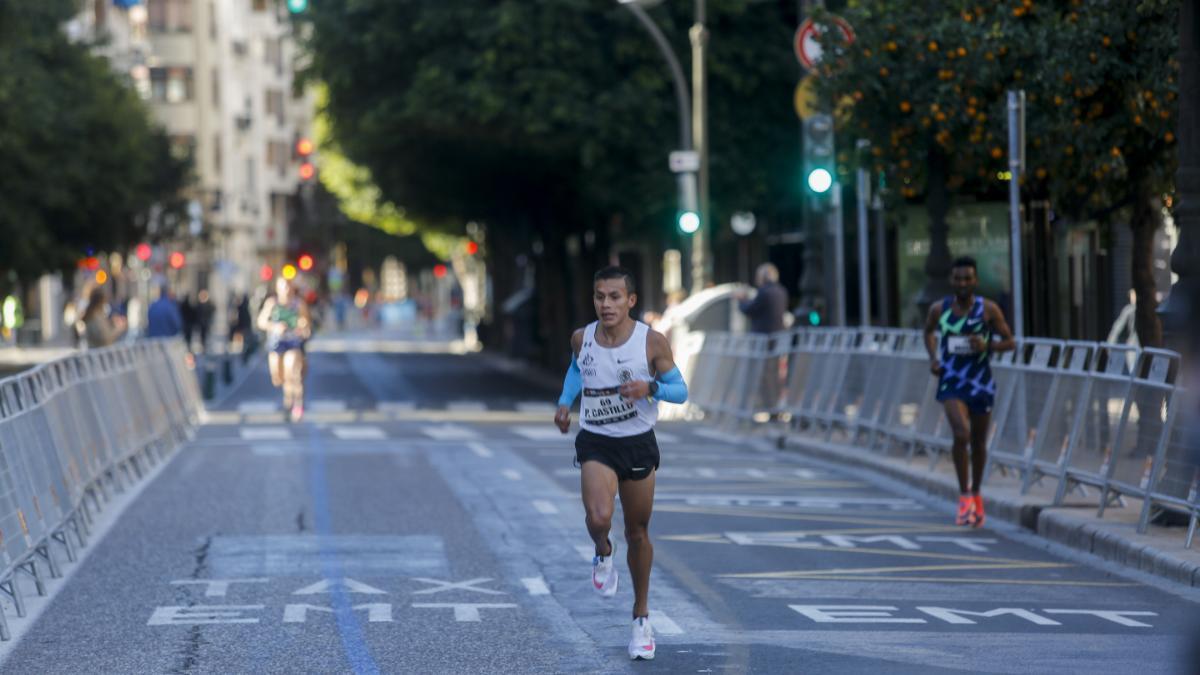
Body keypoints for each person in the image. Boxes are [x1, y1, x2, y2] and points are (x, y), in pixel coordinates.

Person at [554, 266, 688, 662]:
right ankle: (601, 549)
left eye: (614, 297)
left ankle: (641, 619)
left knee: (638, 531)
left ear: (630, 301)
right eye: (600, 297)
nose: (606, 304)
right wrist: (565, 403)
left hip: (638, 443)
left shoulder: (652, 342)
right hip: (596, 440)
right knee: (598, 516)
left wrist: (652, 388)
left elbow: (681, 391)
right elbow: (577, 371)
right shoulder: (583, 338)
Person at [923, 256, 1015, 527]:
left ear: (975, 280)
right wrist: (933, 358)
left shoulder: (988, 310)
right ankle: (963, 497)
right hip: (951, 380)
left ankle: (976, 494)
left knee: (978, 442)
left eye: (967, 279)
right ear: (951, 280)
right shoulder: (939, 310)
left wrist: (987, 345)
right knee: (960, 434)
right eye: (957, 279)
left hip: (980, 382)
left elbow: (1010, 342)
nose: (962, 283)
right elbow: (927, 333)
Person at [257, 278, 312, 422]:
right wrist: (274, 327)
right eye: (283, 287)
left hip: (293, 342)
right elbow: (261, 322)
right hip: (276, 343)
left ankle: (297, 405)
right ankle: (288, 399)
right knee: (278, 378)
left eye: (288, 287)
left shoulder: (298, 303)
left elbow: (306, 323)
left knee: (293, 374)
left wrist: (303, 327)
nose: (286, 290)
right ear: (277, 289)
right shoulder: (272, 303)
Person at [737, 263, 789, 412]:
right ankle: (774, 405)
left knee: (763, 375)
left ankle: (768, 405)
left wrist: (741, 300)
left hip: (762, 339)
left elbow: (750, 309)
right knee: (773, 373)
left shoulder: (764, 292)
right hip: (777, 339)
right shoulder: (781, 291)